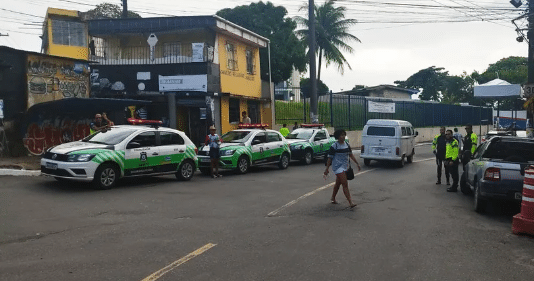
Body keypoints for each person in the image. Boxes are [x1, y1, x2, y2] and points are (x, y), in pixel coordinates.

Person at [324, 129, 361, 209]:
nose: (343, 137)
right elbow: (329, 158)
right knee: (344, 183)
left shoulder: (347, 145)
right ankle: (350, 202)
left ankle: (333, 198)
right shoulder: (334, 146)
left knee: (338, 183)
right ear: (337, 137)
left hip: (345, 166)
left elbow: (351, 155)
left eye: (344, 135)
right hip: (337, 167)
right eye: (341, 135)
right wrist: (327, 169)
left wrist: (357, 163)